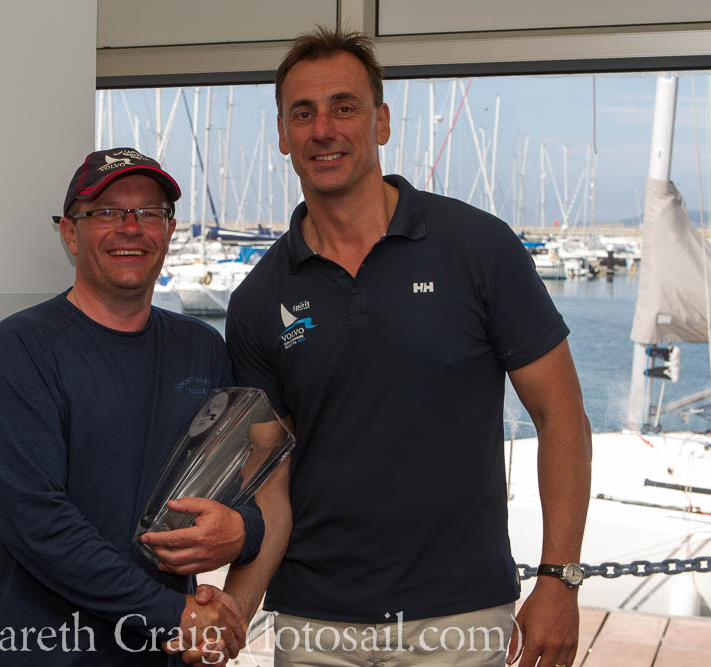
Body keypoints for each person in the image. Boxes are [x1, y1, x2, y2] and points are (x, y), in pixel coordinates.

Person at [225, 27, 592, 667]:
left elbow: (560, 415)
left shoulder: (478, 248)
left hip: (459, 616)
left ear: (382, 122)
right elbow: (270, 486)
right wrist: (235, 611)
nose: (323, 130)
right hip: (315, 623)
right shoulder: (258, 300)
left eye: (344, 107)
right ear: (282, 134)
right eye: (302, 114)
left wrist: (559, 578)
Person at [0, 147, 266, 665]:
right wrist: (175, 615)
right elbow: (37, 524)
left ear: (169, 231)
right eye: (106, 212)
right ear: (70, 233)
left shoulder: (201, 348)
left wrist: (243, 532)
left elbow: (236, 485)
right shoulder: (14, 353)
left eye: (149, 212)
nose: (131, 227)